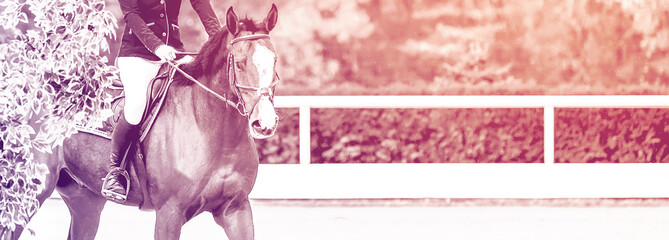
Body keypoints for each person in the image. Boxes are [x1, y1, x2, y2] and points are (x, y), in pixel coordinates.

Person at [102, 0, 221, 202]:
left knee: (202, 91)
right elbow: (131, 15)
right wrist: (157, 47)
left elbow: (200, 3)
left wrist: (219, 39)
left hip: (174, 52)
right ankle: (116, 171)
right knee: (137, 105)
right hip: (138, 55)